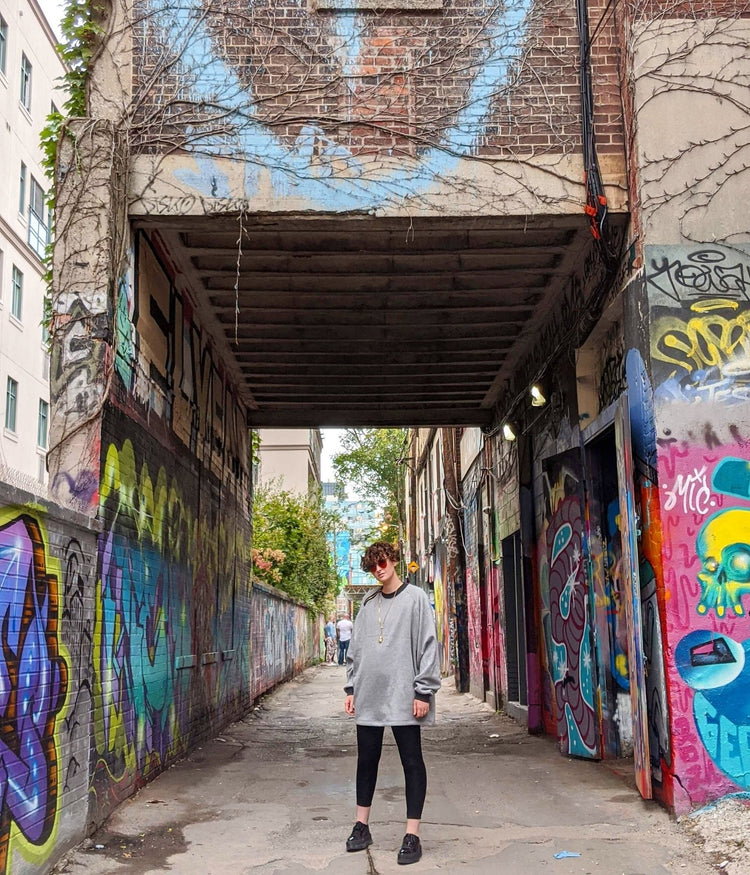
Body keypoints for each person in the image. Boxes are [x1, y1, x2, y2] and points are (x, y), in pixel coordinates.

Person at [343, 541, 440, 866]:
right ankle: (361, 826)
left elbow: (429, 645)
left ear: (394, 560)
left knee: (412, 762)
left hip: (404, 695)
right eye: (372, 566)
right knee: (365, 761)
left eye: (382, 562)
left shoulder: (415, 599)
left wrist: (423, 691)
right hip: (369, 695)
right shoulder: (368, 603)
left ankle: (412, 834)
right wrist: (350, 688)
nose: (378, 569)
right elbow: (355, 649)